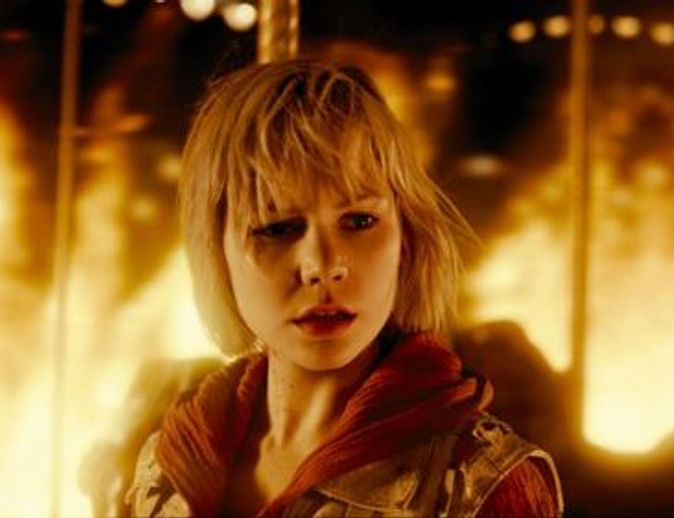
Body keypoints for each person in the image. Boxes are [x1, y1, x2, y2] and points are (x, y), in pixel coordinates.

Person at [125, 60, 563, 517]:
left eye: (359, 221)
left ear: (405, 240)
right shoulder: (168, 463)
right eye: (278, 229)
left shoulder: (480, 484)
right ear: (217, 251)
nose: (323, 266)